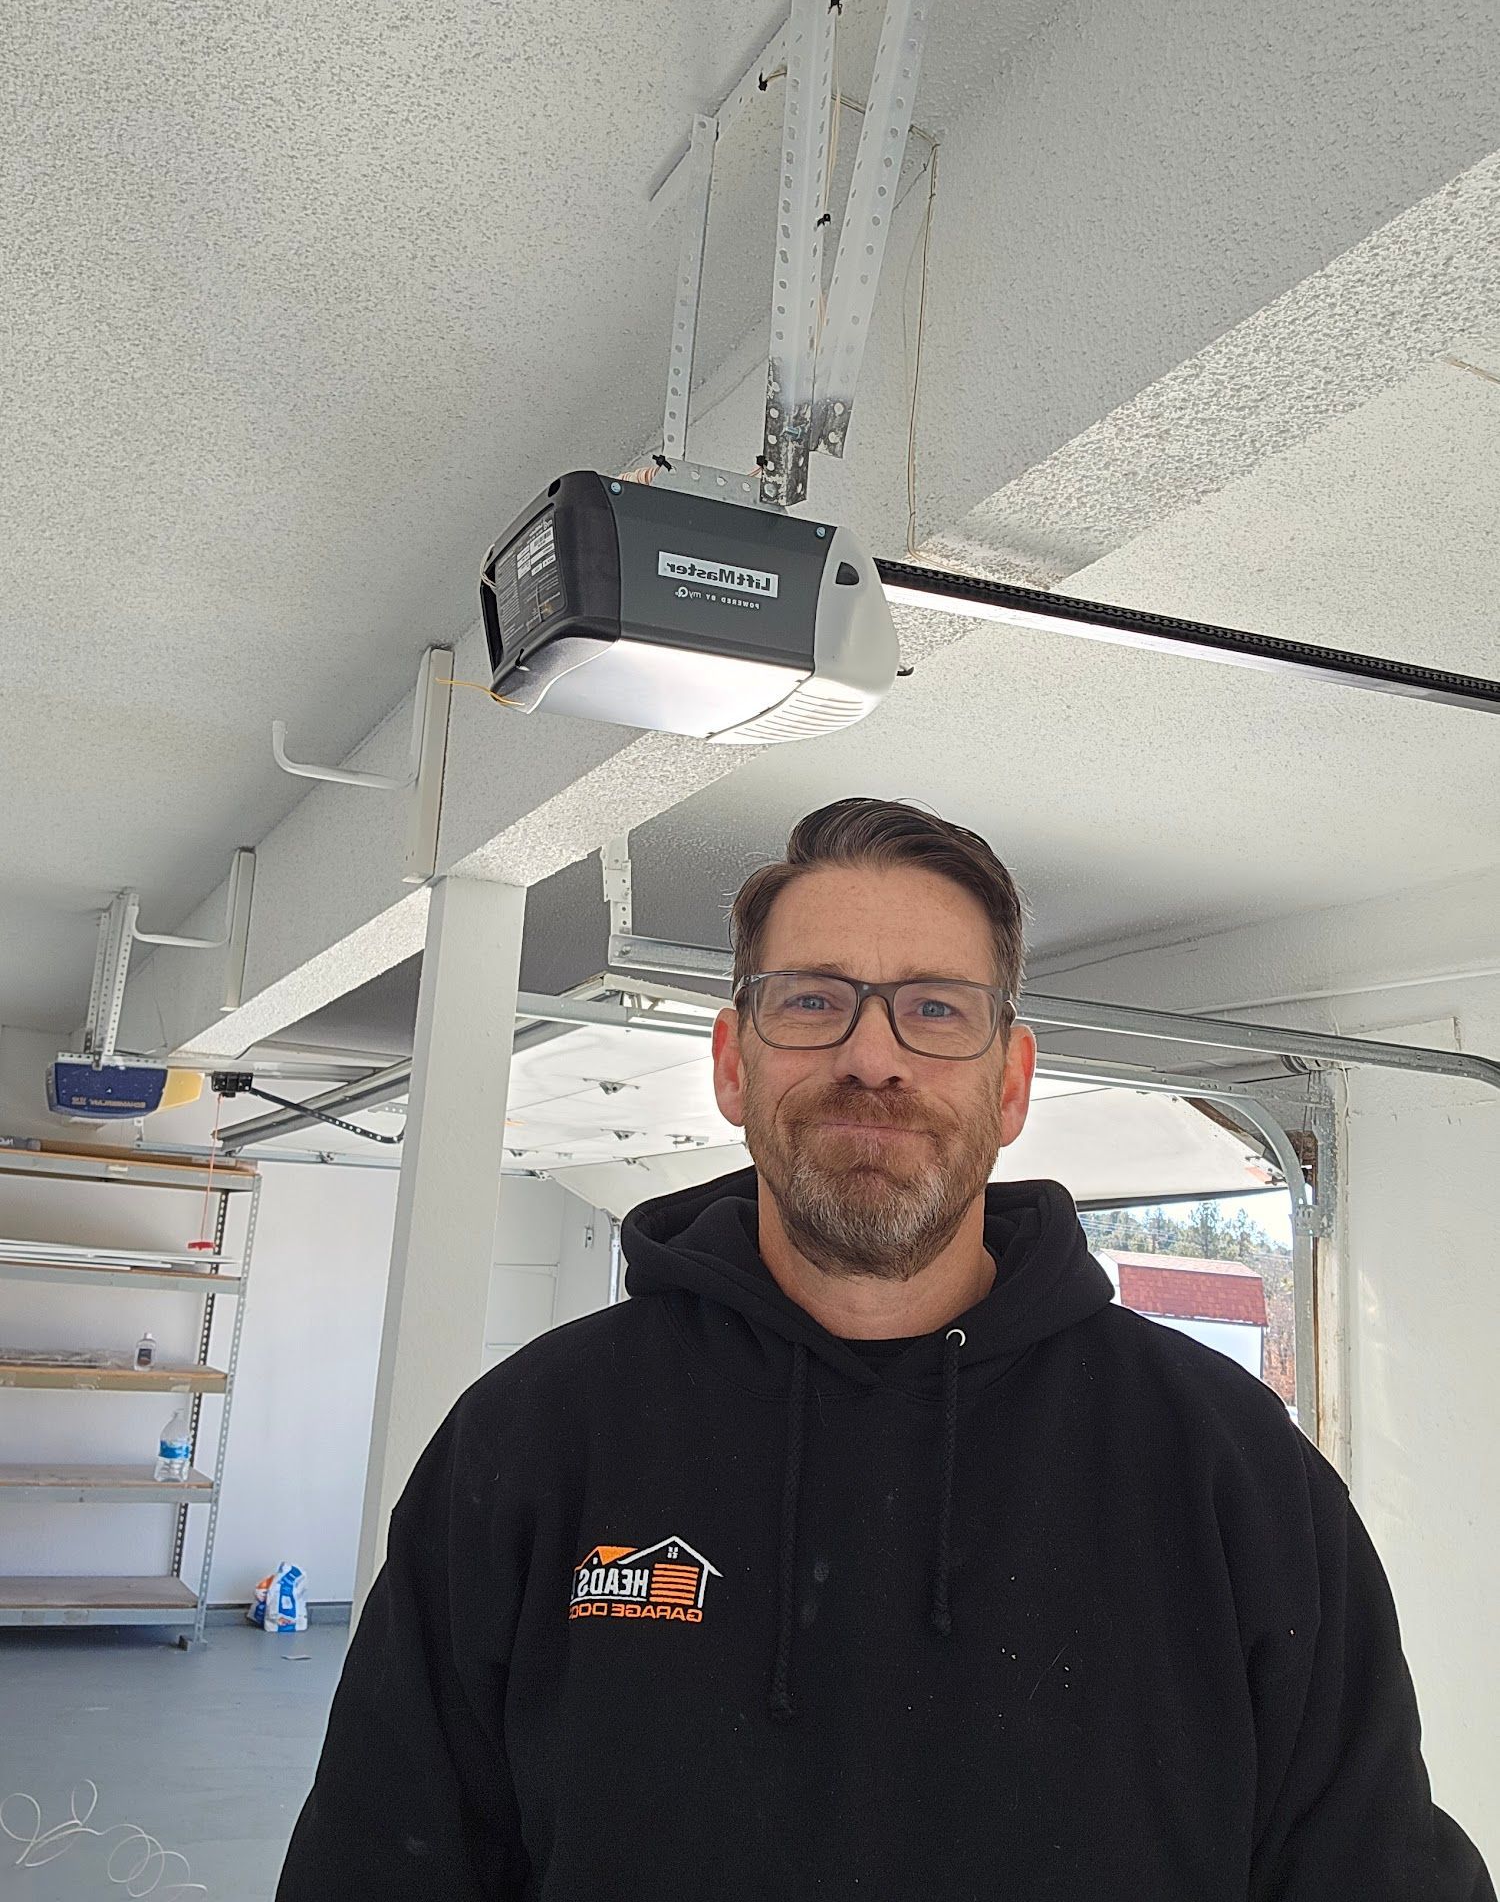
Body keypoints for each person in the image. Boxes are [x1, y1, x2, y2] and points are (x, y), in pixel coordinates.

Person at [277, 797, 1494, 1900]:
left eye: (935, 1007)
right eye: (812, 999)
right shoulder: (531, 1442)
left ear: (1009, 1082)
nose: (874, 1055)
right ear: (731, 1062)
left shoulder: (1232, 1471)